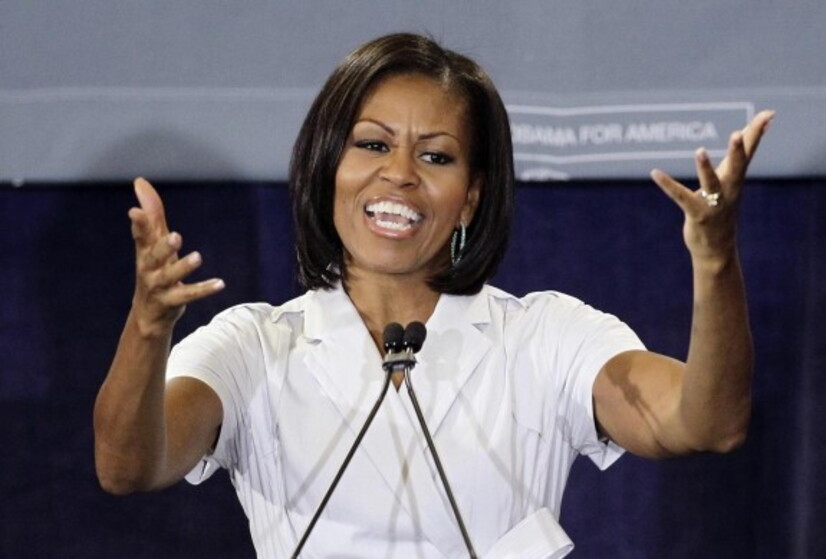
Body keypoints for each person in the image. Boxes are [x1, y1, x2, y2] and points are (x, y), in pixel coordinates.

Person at [94, 33, 772, 558]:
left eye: (436, 155)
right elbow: (127, 466)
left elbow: (706, 424)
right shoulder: (252, 345)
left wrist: (715, 262)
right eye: (372, 145)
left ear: (471, 196)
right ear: (329, 167)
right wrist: (149, 326)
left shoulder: (546, 336)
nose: (399, 174)